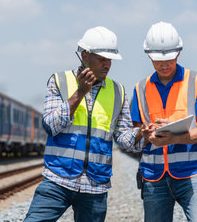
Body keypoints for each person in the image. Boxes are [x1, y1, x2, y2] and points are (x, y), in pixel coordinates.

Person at [24, 26, 140, 222]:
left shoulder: (118, 91)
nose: (107, 65)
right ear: (85, 56)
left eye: (110, 60)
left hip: (96, 184)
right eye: (102, 59)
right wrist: (79, 93)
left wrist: (140, 133)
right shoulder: (59, 81)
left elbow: (124, 140)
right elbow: (50, 126)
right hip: (57, 179)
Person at [131, 21, 197, 222]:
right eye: (158, 60)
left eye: (169, 58)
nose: (164, 64)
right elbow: (136, 135)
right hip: (154, 176)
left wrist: (173, 138)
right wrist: (146, 133)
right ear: (149, 56)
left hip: (192, 174)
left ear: (178, 52)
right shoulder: (140, 89)